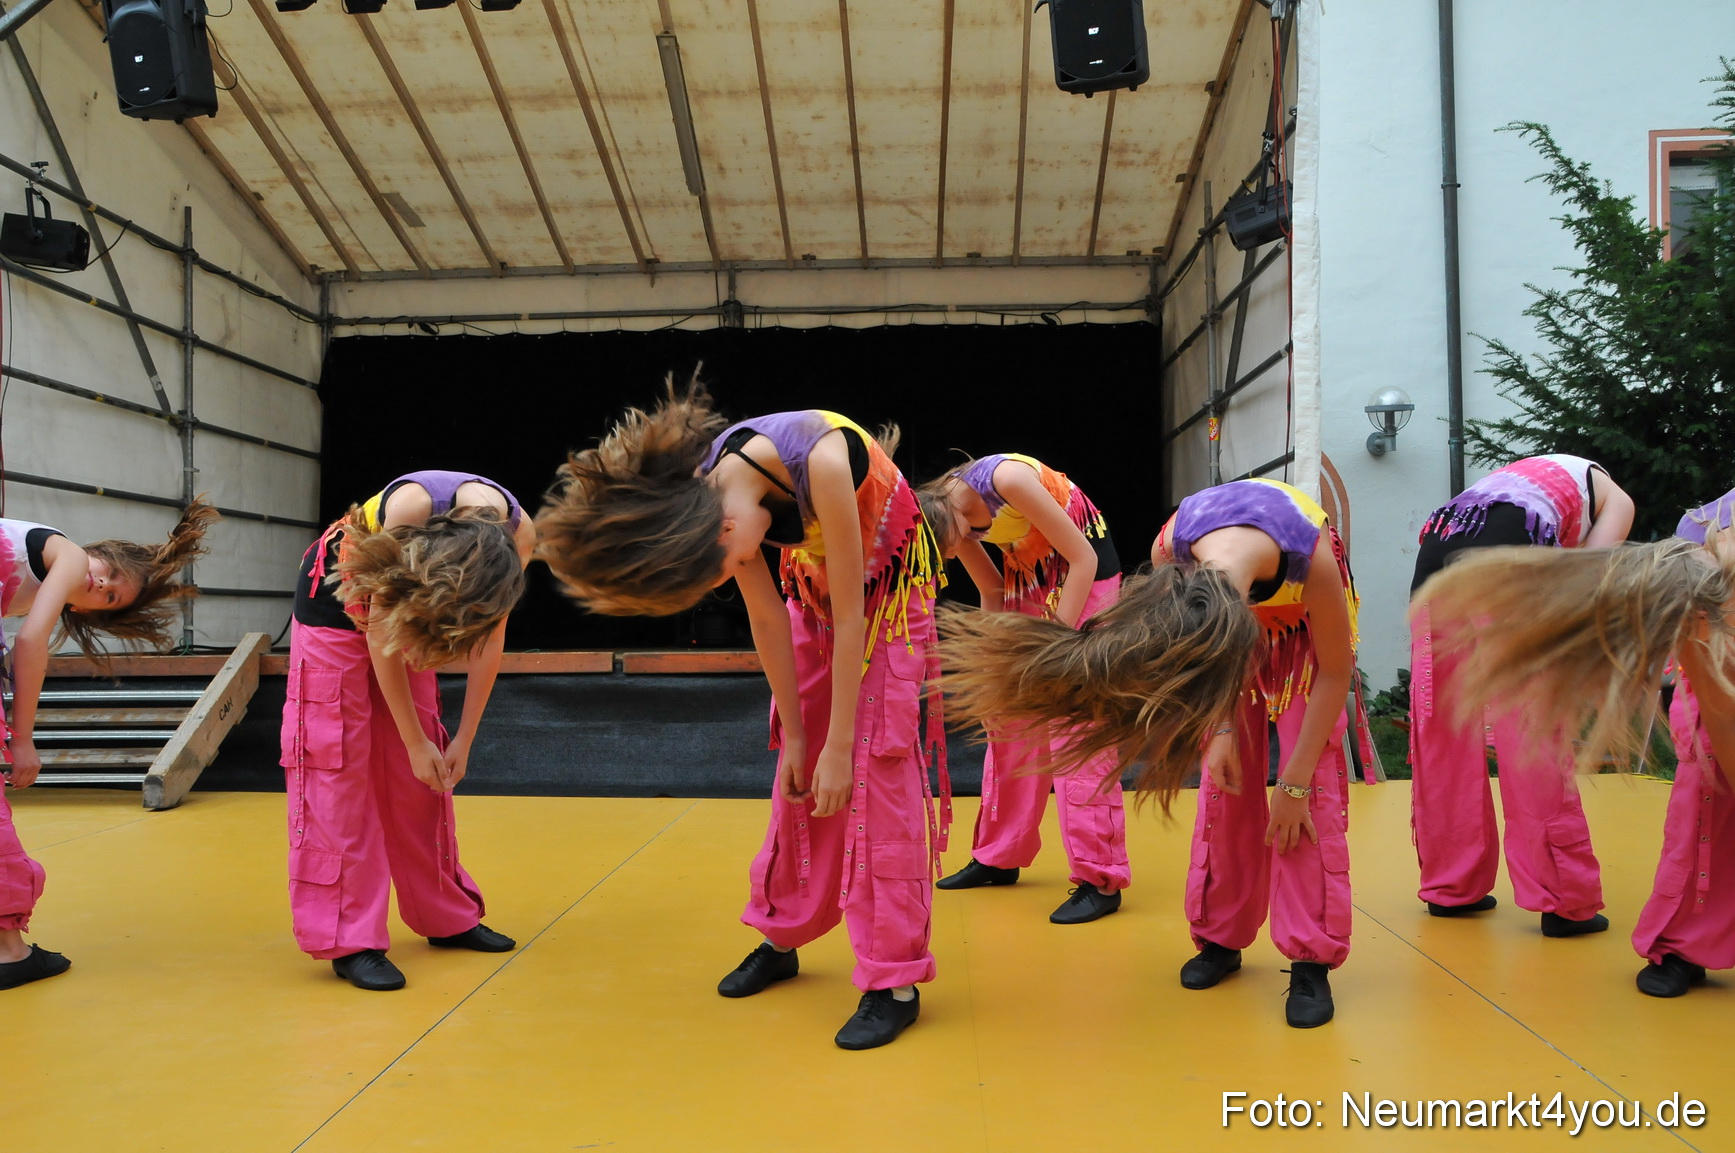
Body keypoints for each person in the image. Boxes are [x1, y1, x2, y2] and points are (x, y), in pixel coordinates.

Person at [538, 384, 944, 1050]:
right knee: (798, 776)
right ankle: (782, 934)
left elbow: (853, 617)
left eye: (725, 563)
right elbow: (765, 615)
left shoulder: (822, 461)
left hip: (884, 604)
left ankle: (893, 981)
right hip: (816, 598)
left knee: (875, 773)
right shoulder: (710, 503)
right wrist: (797, 733)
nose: (734, 569)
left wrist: (839, 743)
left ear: (725, 529)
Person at [942, 477, 1378, 1028]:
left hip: (1303, 638)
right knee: (1225, 787)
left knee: (1307, 800)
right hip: (1219, 622)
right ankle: (1221, 938)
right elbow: (1204, 672)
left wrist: (1290, 787)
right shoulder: (1171, 549)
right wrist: (1218, 731)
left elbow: (1335, 674)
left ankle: (1309, 959)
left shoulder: (1312, 560)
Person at [282, 471, 531, 991]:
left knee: (425, 776)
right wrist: (413, 743)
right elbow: (381, 637)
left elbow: (491, 640)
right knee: (339, 764)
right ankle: (351, 939)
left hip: (417, 604)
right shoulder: (408, 512)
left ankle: (444, 914)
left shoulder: (518, 535)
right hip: (336, 603)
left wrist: (461, 740)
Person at [1408, 455, 1633, 935]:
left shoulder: (1522, 477)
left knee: (1445, 729)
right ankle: (1563, 900)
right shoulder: (1617, 498)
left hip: (1436, 559)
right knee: (1530, 729)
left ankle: (1451, 888)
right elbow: (1583, 579)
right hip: (1507, 556)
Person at [1, 501, 217, 989]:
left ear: (84, 612)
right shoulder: (69, 554)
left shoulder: (29, 587)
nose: (102, 584)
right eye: (109, 573)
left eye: (112, 597)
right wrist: (23, 738)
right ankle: (8, 950)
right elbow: (32, 643)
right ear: (94, 553)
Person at [916, 454, 1129, 924]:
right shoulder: (950, 516)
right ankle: (999, 854)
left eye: (948, 547)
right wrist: (998, 662)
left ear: (945, 516)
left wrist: (1055, 647)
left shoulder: (1007, 479)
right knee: (1009, 717)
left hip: (1085, 577)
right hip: (1027, 579)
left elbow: (1084, 559)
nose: (954, 554)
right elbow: (991, 590)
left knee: (1076, 724)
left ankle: (1101, 876)